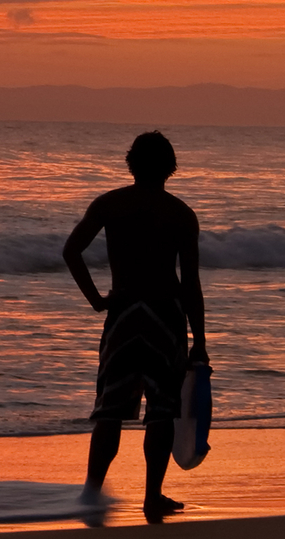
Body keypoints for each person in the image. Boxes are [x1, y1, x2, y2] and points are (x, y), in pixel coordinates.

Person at [61, 131, 207, 517]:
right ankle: (151, 496)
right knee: (161, 410)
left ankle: (91, 495)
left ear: (131, 163)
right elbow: (190, 282)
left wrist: (96, 300)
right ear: (170, 167)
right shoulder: (180, 214)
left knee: (109, 409)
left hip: (123, 316)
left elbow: (71, 251)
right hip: (165, 316)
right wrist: (200, 340)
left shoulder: (110, 204)